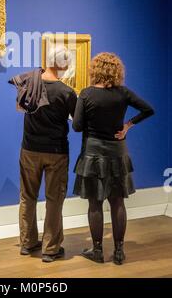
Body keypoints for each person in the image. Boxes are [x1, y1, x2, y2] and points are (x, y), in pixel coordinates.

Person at [72, 52, 154, 265]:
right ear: (117, 71)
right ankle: (119, 252)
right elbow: (148, 109)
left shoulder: (86, 93)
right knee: (117, 202)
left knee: (95, 204)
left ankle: (97, 251)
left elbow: (77, 126)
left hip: (93, 154)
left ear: (95, 70)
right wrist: (128, 125)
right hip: (118, 152)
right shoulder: (123, 93)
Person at [10, 46, 77, 262]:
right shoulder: (66, 92)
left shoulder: (29, 82)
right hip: (56, 151)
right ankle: (50, 248)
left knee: (27, 197)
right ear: (64, 64)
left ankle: (27, 243)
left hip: (29, 149)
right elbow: (77, 122)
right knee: (54, 199)